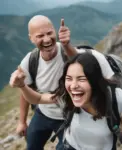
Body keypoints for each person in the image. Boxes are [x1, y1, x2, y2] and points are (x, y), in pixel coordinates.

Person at [10, 53, 122, 150]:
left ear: (94, 80)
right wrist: (22, 86)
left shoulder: (117, 99)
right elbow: (38, 99)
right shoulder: (67, 96)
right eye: (69, 79)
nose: (73, 86)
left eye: (81, 79)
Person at [14, 15, 77, 150]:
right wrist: (22, 122)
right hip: (43, 113)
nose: (47, 39)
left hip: (69, 117)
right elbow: (25, 92)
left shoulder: (67, 53)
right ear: (31, 38)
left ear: (55, 31)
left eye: (49, 33)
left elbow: (80, 63)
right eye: (40, 36)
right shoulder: (30, 61)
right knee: (32, 147)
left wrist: (67, 45)